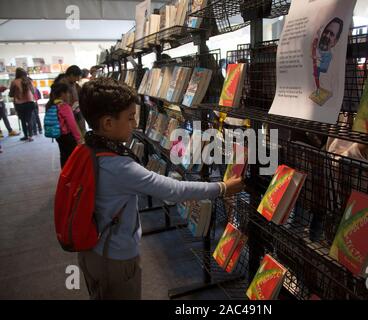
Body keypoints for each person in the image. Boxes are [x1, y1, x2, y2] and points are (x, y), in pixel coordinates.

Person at [76, 77, 244, 299]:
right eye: (130, 118)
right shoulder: (118, 166)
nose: (135, 124)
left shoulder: (87, 148)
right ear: (108, 123)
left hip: (92, 250)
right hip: (114, 257)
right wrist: (222, 188)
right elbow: (173, 190)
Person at [46, 82, 82, 168]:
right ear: (62, 94)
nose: (69, 95)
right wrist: (79, 139)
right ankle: (72, 175)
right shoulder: (64, 106)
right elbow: (72, 124)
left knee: (64, 155)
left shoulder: (51, 104)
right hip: (67, 136)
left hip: (58, 135)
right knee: (74, 157)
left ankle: (65, 174)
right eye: (68, 92)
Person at [311, 17, 344, 96]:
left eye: (331, 34)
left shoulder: (331, 61)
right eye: (326, 32)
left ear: (335, 42)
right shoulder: (316, 48)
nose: (327, 36)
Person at [55, 65, 86, 138]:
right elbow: (59, 101)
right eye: (77, 77)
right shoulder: (61, 84)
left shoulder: (73, 83)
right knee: (73, 134)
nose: (78, 79)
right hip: (68, 113)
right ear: (71, 75)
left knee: (81, 131)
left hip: (76, 110)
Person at [9, 68, 35, 142]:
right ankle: (30, 136)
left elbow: (11, 94)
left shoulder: (14, 82)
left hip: (19, 104)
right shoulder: (29, 81)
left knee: (23, 120)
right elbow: (34, 91)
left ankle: (26, 136)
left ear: (17, 74)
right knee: (29, 119)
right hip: (30, 102)